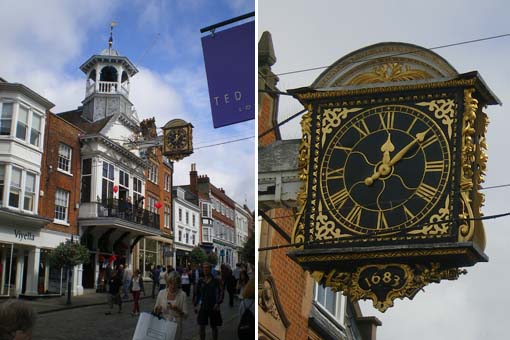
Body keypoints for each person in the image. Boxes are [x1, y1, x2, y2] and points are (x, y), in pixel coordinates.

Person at [154, 271, 188, 340]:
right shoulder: (161, 293)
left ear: (179, 284)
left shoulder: (183, 295)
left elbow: (185, 316)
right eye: (171, 283)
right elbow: (155, 310)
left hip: (176, 327)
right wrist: (158, 309)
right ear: (168, 282)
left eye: (175, 284)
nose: (173, 286)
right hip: (162, 325)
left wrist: (177, 310)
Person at [194, 262, 224, 340]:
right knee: (201, 326)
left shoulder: (216, 280)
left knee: (214, 326)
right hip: (203, 306)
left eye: (207, 268)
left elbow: (221, 292)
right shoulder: (201, 281)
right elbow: (197, 293)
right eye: (204, 268)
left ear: (210, 269)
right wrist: (195, 305)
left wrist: (218, 303)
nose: (205, 269)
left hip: (213, 306)